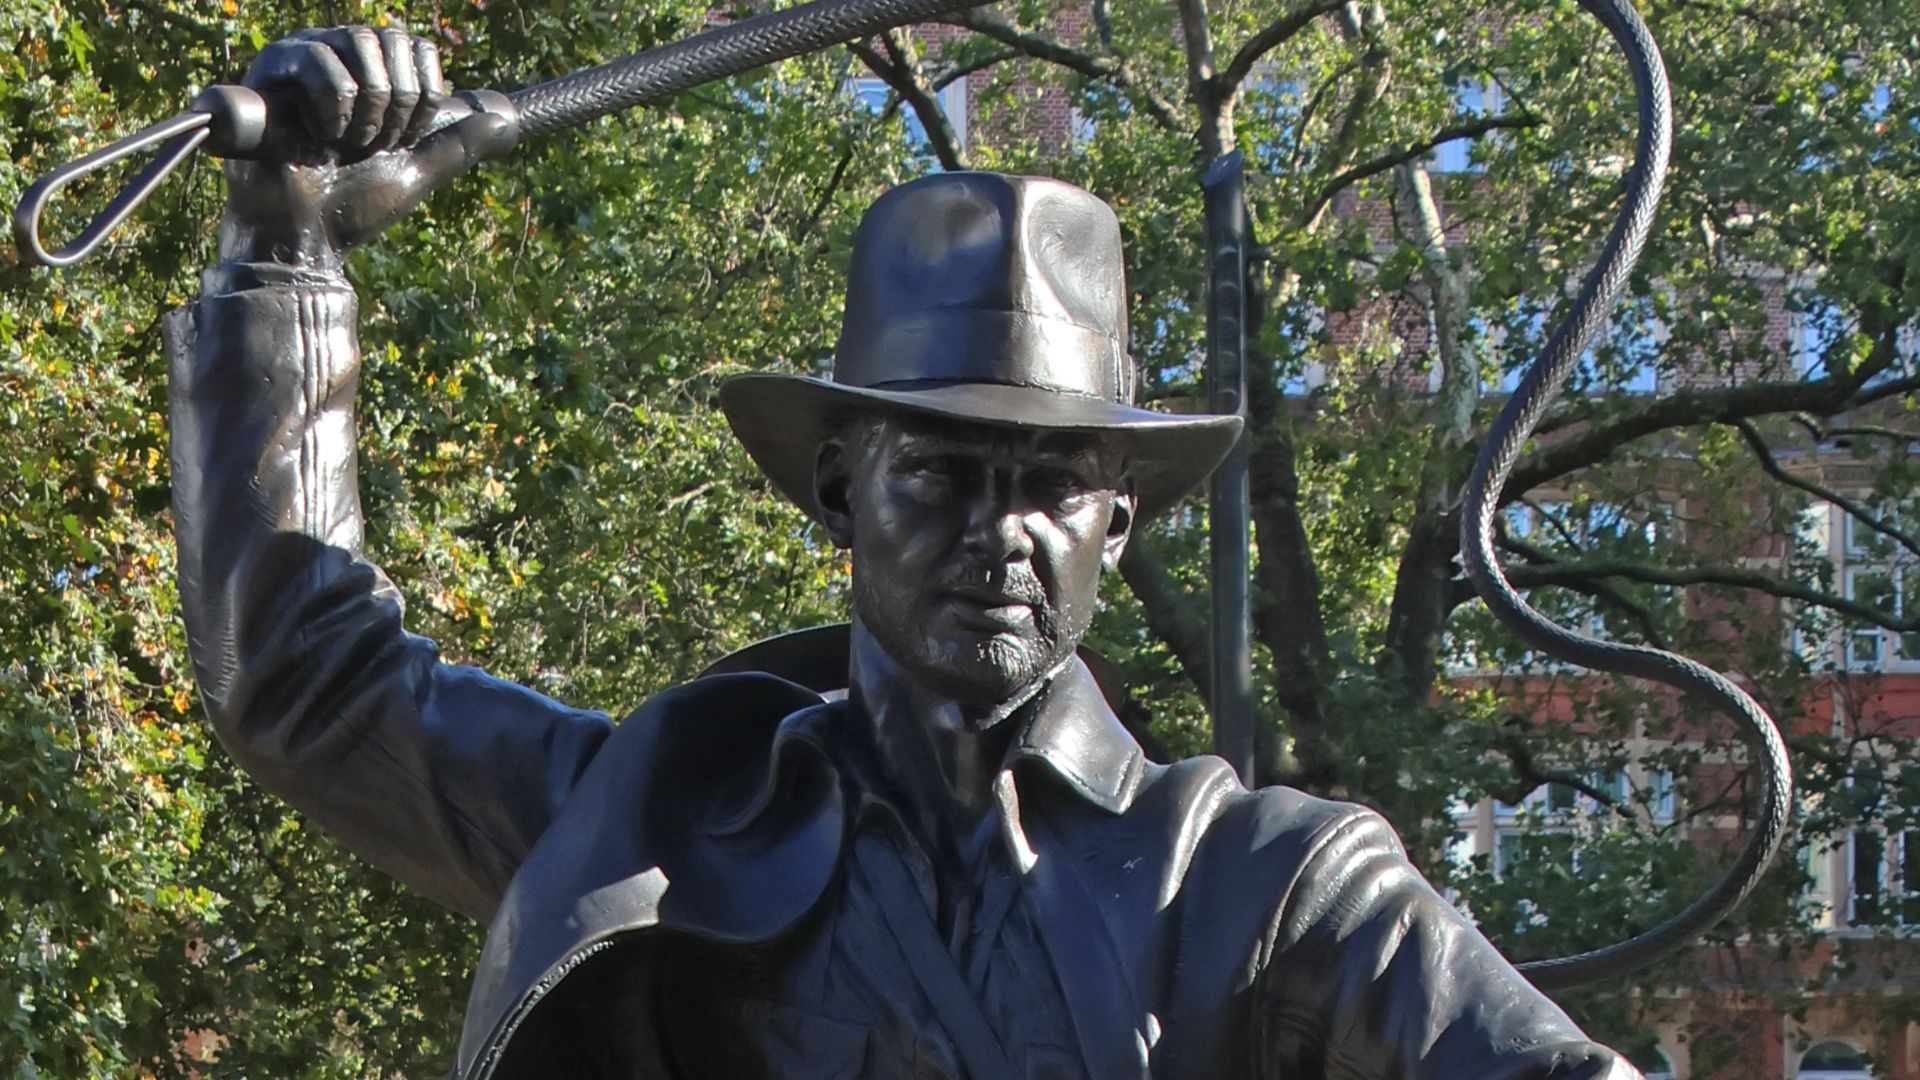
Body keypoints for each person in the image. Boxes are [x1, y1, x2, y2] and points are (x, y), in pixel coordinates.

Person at [165, 25, 1645, 1080]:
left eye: (1052, 485)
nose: (999, 532)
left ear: (1117, 524)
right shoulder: (660, 824)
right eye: (937, 473)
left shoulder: (1263, 887)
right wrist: (288, 252)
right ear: (840, 489)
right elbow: (306, 677)